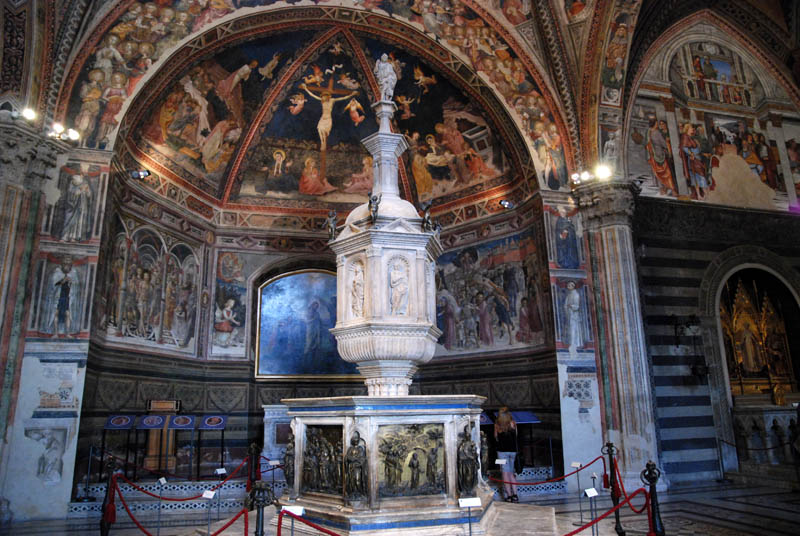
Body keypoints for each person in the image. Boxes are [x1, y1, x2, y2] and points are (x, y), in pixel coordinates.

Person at [494, 407, 519, 502]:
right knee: (511, 472)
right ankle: (515, 495)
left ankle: (509, 495)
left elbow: (495, 437)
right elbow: (516, 435)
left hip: (501, 452)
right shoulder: (513, 423)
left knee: (505, 473)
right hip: (512, 451)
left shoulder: (497, 425)